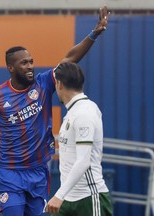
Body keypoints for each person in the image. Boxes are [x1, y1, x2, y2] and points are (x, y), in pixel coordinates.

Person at [0, 6, 109, 215]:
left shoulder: (43, 84)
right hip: (8, 173)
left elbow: (69, 59)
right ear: (10, 68)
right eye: (23, 63)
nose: (30, 66)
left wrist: (94, 33)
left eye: (31, 62)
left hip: (38, 171)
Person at [45, 62, 113, 215]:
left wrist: (58, 195)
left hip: (88, 199)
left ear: (59, 84)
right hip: (67, 199)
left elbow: (83, 161)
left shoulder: (84, 112)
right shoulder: (73, 111)